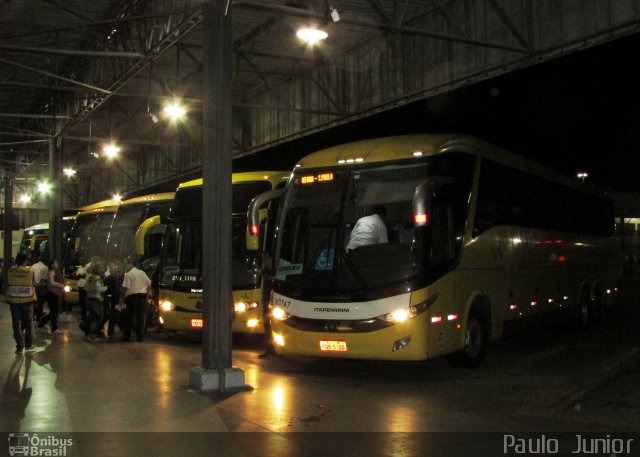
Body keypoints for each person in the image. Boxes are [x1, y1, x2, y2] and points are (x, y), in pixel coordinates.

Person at [5, 254, 37, 353]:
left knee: (16, 323)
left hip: (14, 301)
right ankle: (29, 345)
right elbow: (34, 283)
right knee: (29, 323)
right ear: (25, 261)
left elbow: (6, 284)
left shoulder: (10, 271)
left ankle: (20, 345)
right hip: (27, 301)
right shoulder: (29, 271)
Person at [120, 256, 151, 342]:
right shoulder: (142, 273)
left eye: (126, 264)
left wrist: (122, 300)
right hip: (142, 297)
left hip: (131, 298)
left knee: (129, 317)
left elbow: (125, 289)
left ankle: (127, 337)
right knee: (140, 318)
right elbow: (149, 284)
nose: (125, 266)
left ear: (130, 264)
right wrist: (147, 296)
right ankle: (139, 337)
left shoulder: (129, 275)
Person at [38, 259, 65, 334]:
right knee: (54, 312)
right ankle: (54, 328)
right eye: (55, 263)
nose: (57, 264)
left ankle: (42, 323)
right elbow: (52, 283)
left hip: (54, 294)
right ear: (51, 265)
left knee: (53, 311)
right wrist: (61, 285)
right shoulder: (51, 273)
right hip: (51, 294)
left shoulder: (55, 273)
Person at [84, 263, 108, 342]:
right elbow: (100, 290)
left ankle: (89, 334)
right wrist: (107, 287)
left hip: (89, 299)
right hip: (96, 300)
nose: (102, 270)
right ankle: (92, 335)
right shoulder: (97, 278)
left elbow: (85, 287)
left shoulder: (90, 277)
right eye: (101, 268)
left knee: (93, 318)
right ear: (98, 270)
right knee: (98, 318)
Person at [104, 260, 124, 338]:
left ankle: (111, 331)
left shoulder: (113, 275)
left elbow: (106, 282)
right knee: (121, 312)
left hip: (115, 296)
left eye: (111, 266)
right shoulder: (123, 274)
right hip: (122, 296)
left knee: (113, 314)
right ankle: (122, 328)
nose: (110, 268)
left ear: (116, 265)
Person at [30, 255, 49, 322]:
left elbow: (31, 277)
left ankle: (32, 315)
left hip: (34, 286)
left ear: (38, 259)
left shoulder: (32, 266)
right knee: (41, 302)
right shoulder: (46, 268)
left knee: (34, 302)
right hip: (42, 286)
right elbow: (47, 279)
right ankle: (38, 317)